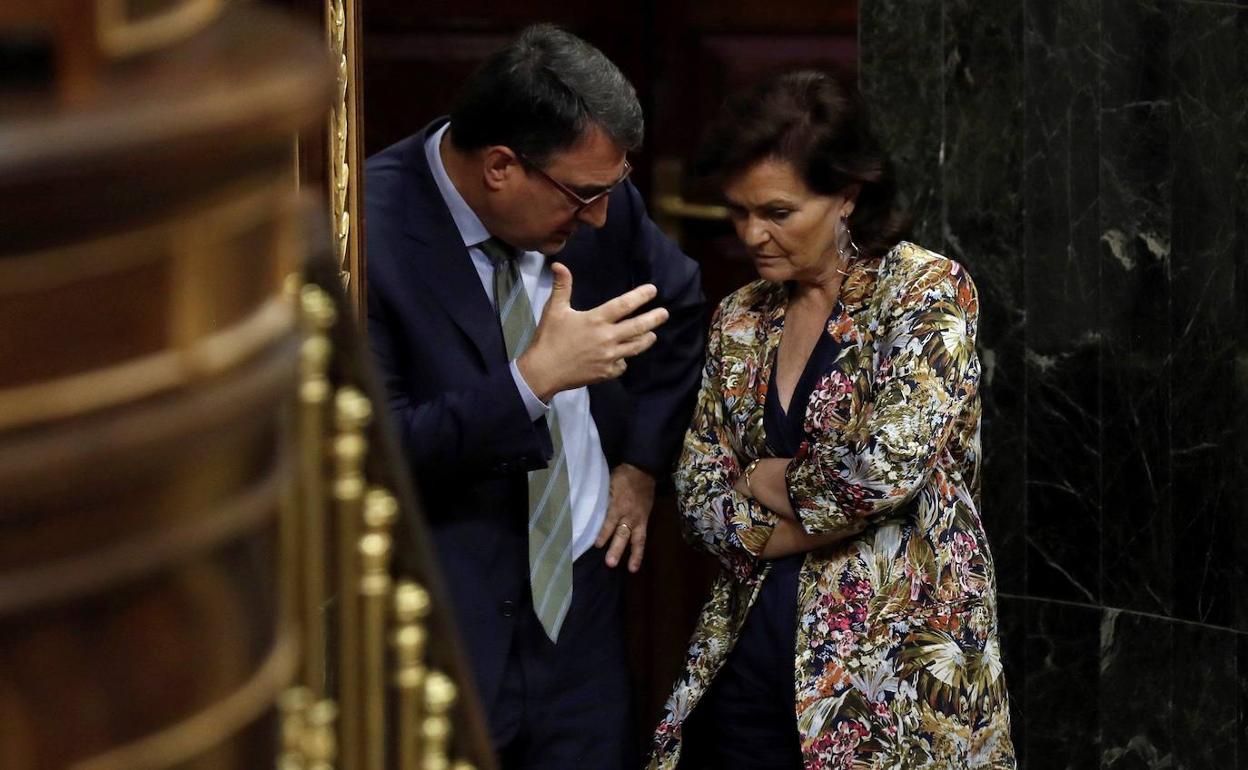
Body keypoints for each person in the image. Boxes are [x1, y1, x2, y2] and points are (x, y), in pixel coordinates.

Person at [648, 71, 1016, 769]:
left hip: (895, 683)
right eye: (738, 211)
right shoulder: (741, 316)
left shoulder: (925, 291)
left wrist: (764, 478)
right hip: (750, 659)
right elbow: (697, 496)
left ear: (847, 196)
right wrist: (797, 515)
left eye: (778, 212)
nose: (752, 233)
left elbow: (881, 476)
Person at [365, 25, 705, 769]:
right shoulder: (364, 235)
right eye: (586, 197)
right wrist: (533, 382)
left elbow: (678, 305)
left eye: (610, 192)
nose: (600, 219)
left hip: (579, 607)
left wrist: (641, 468)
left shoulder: (586, 191)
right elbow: (378, 451)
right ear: (499, 167)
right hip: (442, 624)